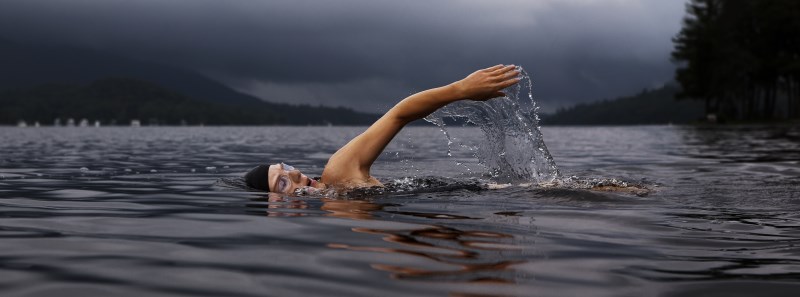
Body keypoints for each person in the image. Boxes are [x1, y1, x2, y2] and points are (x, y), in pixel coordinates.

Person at [245, 64, 521, 194]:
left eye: (286, 167)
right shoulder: (335, 212)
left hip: (502, 193)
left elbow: (398, 115)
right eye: (282, 182)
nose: (295, 173)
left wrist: (460, 89)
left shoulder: (338, 173)